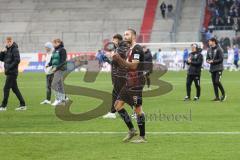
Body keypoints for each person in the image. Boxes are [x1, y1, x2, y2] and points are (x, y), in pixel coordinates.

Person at [107, 28, 146, 143]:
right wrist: (116, 60)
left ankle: (142, 137)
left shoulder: (137, 49)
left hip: (136, 82)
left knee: (138, 109)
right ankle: (132, 130)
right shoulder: (130, 49)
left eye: (127, 34)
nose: (125, 36)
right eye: (124, 35)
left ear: (134, 36)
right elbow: (127, 66)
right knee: (117, 105)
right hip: (129, 81)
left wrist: (118, 58)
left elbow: (134, 66)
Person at [0, 37, 26, 111]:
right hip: (8, 72)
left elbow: (17, 60)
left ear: (12, 41)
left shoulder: (15, 49)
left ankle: (3, 106)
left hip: (12, 72)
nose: (8, 43)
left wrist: (9, 68)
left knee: (6, 88)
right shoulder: (7, 49)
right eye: (7, 42)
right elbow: (2, 59)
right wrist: (2, 52)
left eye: (10, 42)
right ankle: (23, 104)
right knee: (15, 89)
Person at [103, 34, 125, 119]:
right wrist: (109, 60)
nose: (113, 42)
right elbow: (115, 63)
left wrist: (109, 58)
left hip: (120, 76)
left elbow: (120, 62)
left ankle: (112, 112)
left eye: (114, 40)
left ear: (118, 40)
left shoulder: (121, 49)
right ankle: (112, 112)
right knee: (118, 94)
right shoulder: (117, 49)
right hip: (117, 75)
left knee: (117, 94)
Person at [48, 38, 67, 106]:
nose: (53, 44)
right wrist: (49, 64)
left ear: (59, 43)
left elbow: (63, 61)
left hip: (60, 69)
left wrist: (56, 67)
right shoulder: (54, 50)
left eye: (55, 43)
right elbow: (52, 59)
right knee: (60, 85)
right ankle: (63, 100)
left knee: (53, 84)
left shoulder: (62, 50)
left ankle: (58, 99)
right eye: (53, 43)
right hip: (55, 69)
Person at [206, 37, 226, 102]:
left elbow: (221, 59)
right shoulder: (209, 49)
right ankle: (217, 97)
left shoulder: (219, 49)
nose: (209, 42)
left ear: (213, 41)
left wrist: (213, 61)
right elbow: (207, 58)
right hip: (212, 69)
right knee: (214, 83)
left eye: (209, 41)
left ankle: (223, 94)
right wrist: (208, 61)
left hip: (219, 68)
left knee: (217, 81)